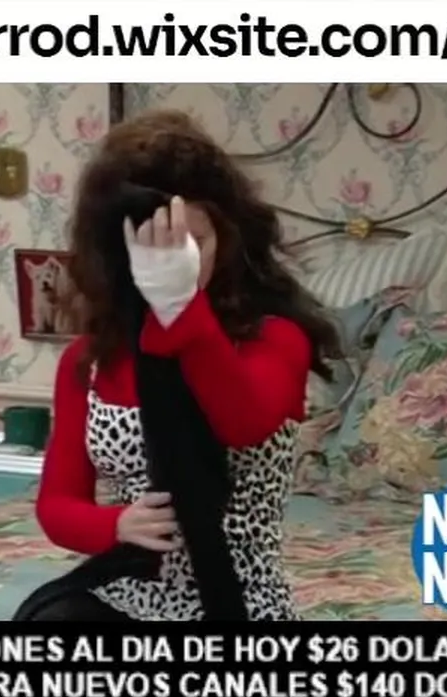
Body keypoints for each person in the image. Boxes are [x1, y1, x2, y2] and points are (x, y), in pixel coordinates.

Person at [29, 110, 341, 621]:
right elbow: (57, 505)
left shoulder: (276, 338)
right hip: (128, 595)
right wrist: (115, 525)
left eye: (197, 243)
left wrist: (180, 307)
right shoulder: (88, 363)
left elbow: (243, 424)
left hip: (240, 603)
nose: (181, 258)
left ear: (227, 237)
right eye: (156, 245)